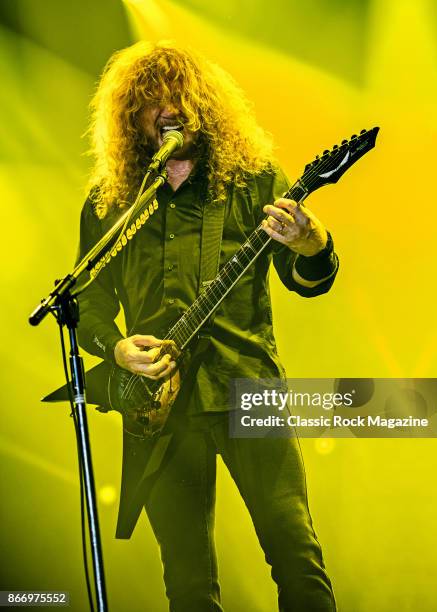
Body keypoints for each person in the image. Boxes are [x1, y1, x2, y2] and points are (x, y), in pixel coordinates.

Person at [76, 40, 339, 612]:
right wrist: (116, 348)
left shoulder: (254, 180)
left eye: (181, 95)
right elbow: (86, 307)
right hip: (157, 406)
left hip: (249, 388)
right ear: (130, 118)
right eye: (151, 100)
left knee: (295, 553)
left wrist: (313, 244)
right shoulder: (111, 203)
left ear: (205, 104)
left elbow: (309, 279)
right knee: (188, 583)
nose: (169, 107)